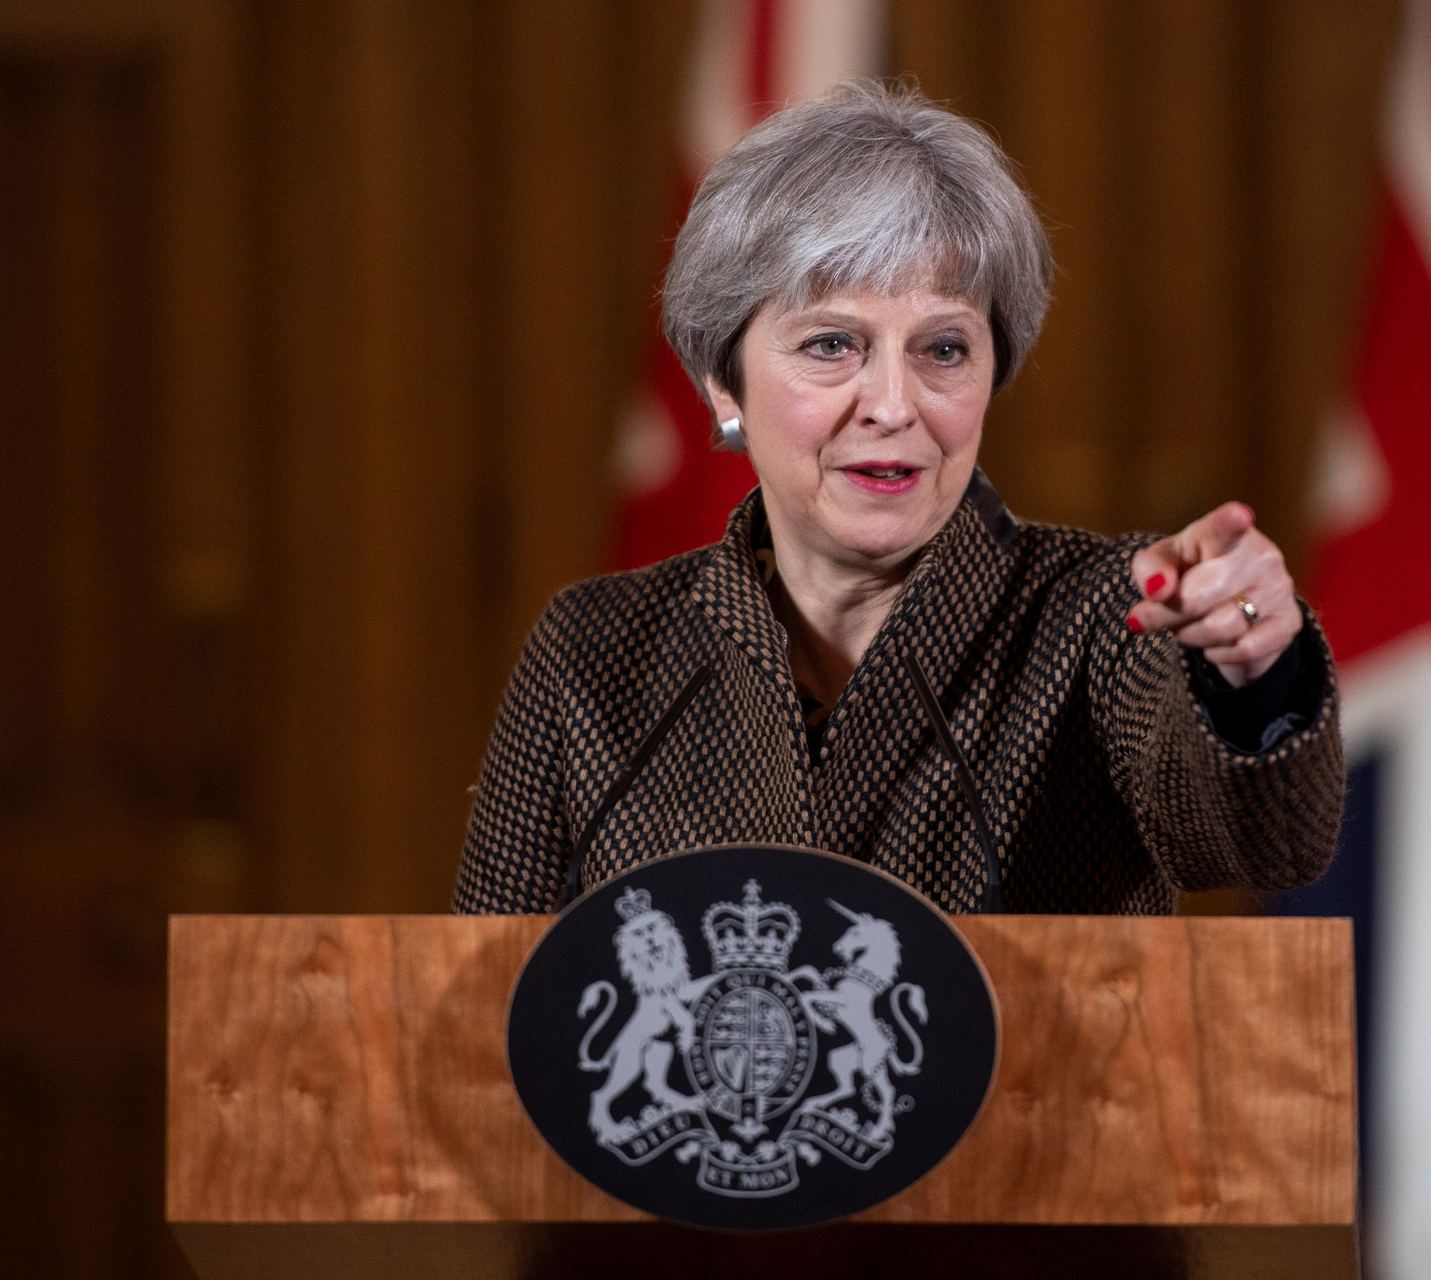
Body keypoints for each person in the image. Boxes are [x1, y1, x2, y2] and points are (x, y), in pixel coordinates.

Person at [452, 80, 1342, 916]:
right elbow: (488, 1006)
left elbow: (1265, 845)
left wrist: (1251, 673)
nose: (892, 403)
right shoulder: (595, 652)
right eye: (833, 345)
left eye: (943, 350)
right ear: (725, 387)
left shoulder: (1104, 617)